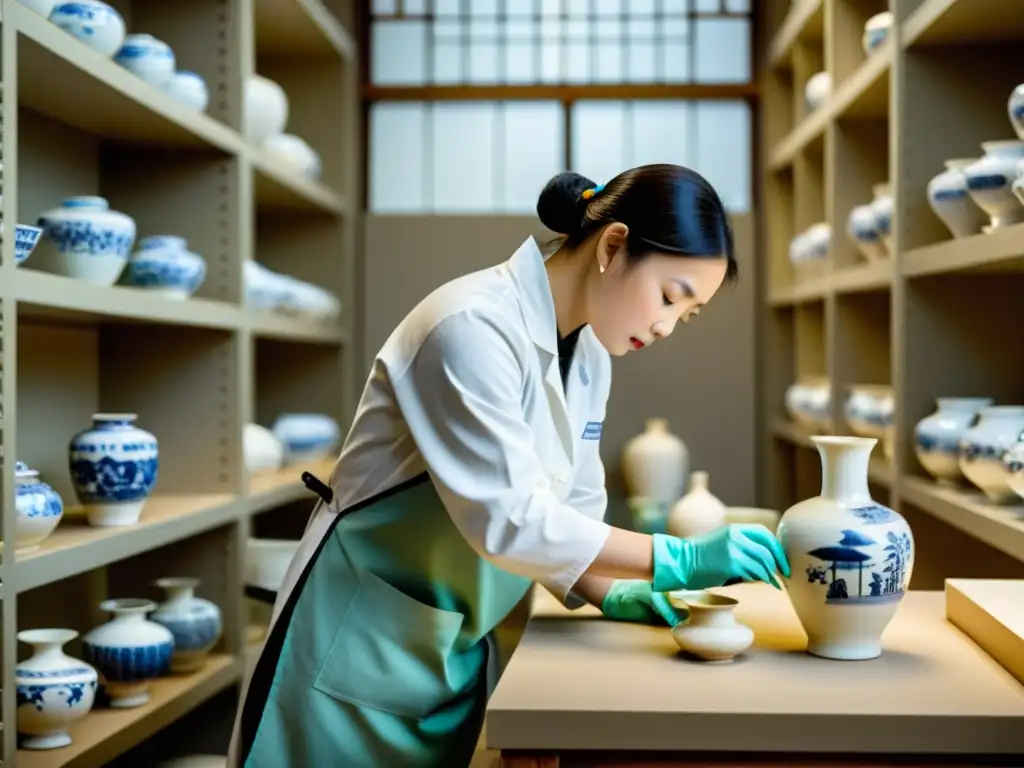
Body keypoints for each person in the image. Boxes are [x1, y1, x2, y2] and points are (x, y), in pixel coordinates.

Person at [227, 164, 790, 767]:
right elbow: (512, 520)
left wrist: (611, 591)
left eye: (689, 314)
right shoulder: (469, 325)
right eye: (670, 297)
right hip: (350, 640)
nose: (666, 326)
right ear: (613, 244)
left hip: (444, 642)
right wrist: (679, 558)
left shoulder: (591, 354)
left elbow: (569, 511)